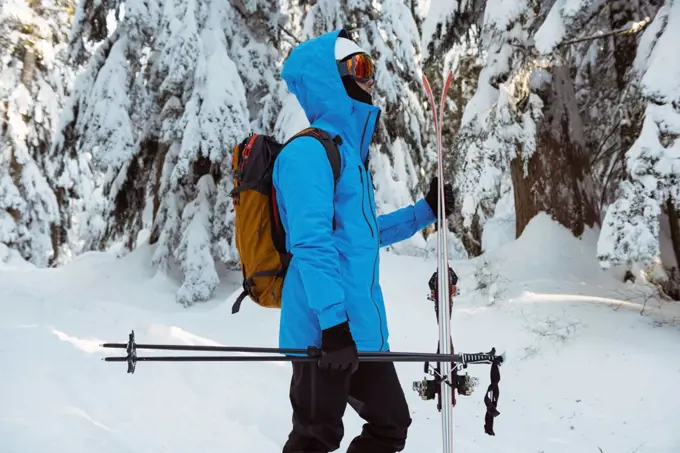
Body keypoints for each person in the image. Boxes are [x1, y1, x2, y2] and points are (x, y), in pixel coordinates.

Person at [272, 28, 455, 453]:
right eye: (358, 66)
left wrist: (425, 211)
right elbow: (311, 244)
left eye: (370, 66)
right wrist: (334, 326)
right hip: (326, 332)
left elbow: (365, 235)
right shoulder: (307, 154)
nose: (369, 77)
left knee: (391, 425)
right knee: (316, 437)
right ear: (329, 77)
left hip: (363, 330)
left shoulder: (348, 155)